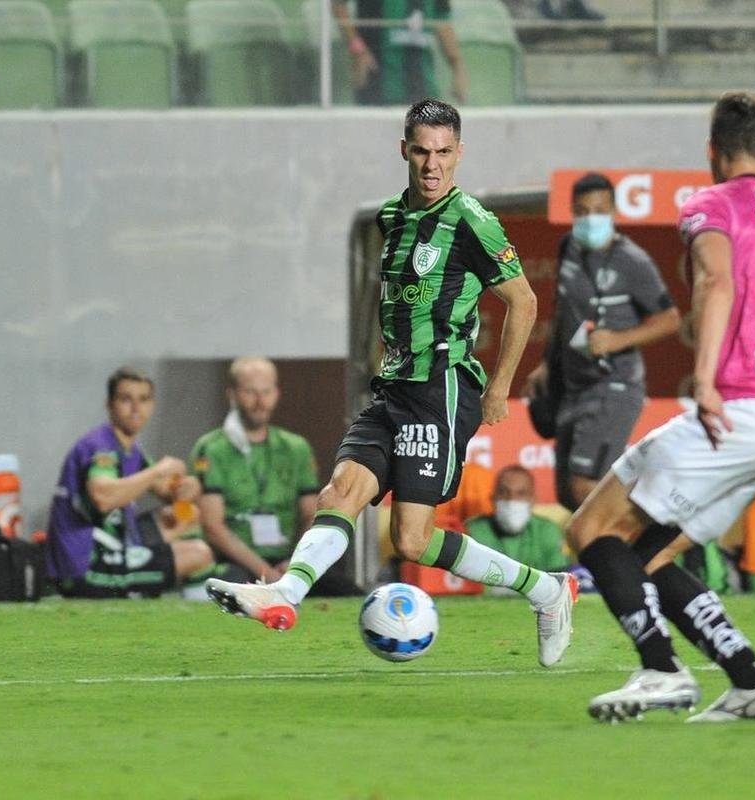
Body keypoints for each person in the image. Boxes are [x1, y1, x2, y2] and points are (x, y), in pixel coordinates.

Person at [207, 99, 578, 669]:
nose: (433, 165)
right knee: (341, 493)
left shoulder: (472, 220)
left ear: (459, 154)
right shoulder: (391, 217)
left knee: (410, 539)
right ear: (404, 150)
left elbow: (523, 302)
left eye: (444, 153)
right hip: (393, 388)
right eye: (423, 152)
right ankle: (284, 594)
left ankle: (546, 589)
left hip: (442, 387)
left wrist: (500, 387)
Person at [565, 92, 755, 722]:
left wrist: (704, 381)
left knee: (590, 530)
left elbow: (717, 281)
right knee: (649, 554)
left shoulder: (710, 204)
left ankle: (660, 670)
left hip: (734, 411)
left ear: (711, 150)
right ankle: (751, 680)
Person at [525, 171, 680, 511]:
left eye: (599, 209)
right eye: (582, 210)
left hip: (614, 385)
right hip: (572, 386)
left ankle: (645, 543)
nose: (590, 217)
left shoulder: (632, 261)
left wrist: (618, 339)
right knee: (568, 495)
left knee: (585, 487)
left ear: (613, 212)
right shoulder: (568, 247)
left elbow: (670, 319)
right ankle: (603, 560)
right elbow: (562, 311)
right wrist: (546, 364)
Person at [46, 367, 214, 598]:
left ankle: (146, 584)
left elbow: (169, 492)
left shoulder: (131, 449)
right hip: (84, 566)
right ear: (109, 405)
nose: (136, 408)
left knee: (188, 515)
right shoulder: (101, 447)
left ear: (152, 405)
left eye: (143, 399)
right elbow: (102, 498)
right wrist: (158, 470)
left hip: (113, 545)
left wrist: (188, 487)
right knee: (199, 554)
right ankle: (175, 608)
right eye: (126, 399)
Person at [190, 357, 320, 585]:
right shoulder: (212, 448)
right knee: (232, 583)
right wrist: (265, 572)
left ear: (277, 393)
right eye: (250, 392)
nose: (260, 402)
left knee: (345, 590)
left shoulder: (296, 447)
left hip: (288, 559)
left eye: (266, 391)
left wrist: (295, 563)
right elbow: (212, 526)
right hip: (235, 561)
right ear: (231, 394)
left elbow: (312, 513)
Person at [332, 0, 468, 106]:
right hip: (377, 83)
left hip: (423, 87)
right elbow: (337, 4)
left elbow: (442, 20)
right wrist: (358, 51)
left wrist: (458, 70)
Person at [465, 465, 570, 573]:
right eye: (504, 492)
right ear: (493, 498)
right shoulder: (473, 531)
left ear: (533, 499)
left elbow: (558, 578)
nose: (511, 499)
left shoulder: (547, 531)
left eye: (521, 493)